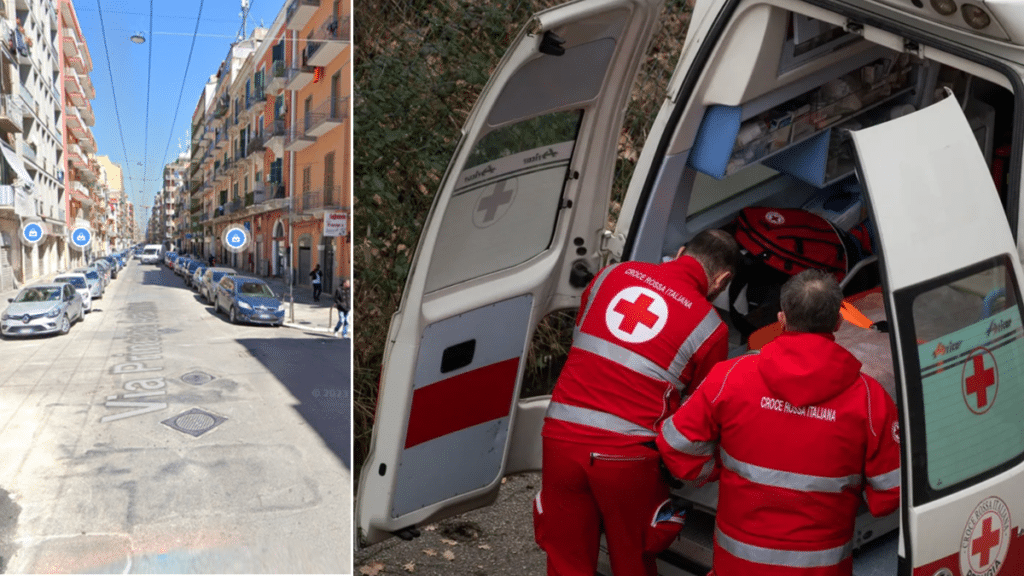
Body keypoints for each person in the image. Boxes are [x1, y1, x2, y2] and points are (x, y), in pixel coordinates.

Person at [656, 269, 900, 576]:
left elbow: (675, 444)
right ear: (838, 323)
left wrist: (720, 469)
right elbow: (890, 495)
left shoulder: (729, 377)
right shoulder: (870, 399)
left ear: (782, 319)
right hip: (821, 568)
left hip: (737, 564)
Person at [535, 229, 741, 576]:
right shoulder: (710, 328)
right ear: (723, 280)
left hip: (560, 439)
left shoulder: (611, 275)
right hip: (627, 456)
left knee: (565, 558)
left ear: (680, 252)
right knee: (634, 560)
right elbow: (695, 413)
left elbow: (586, 337)